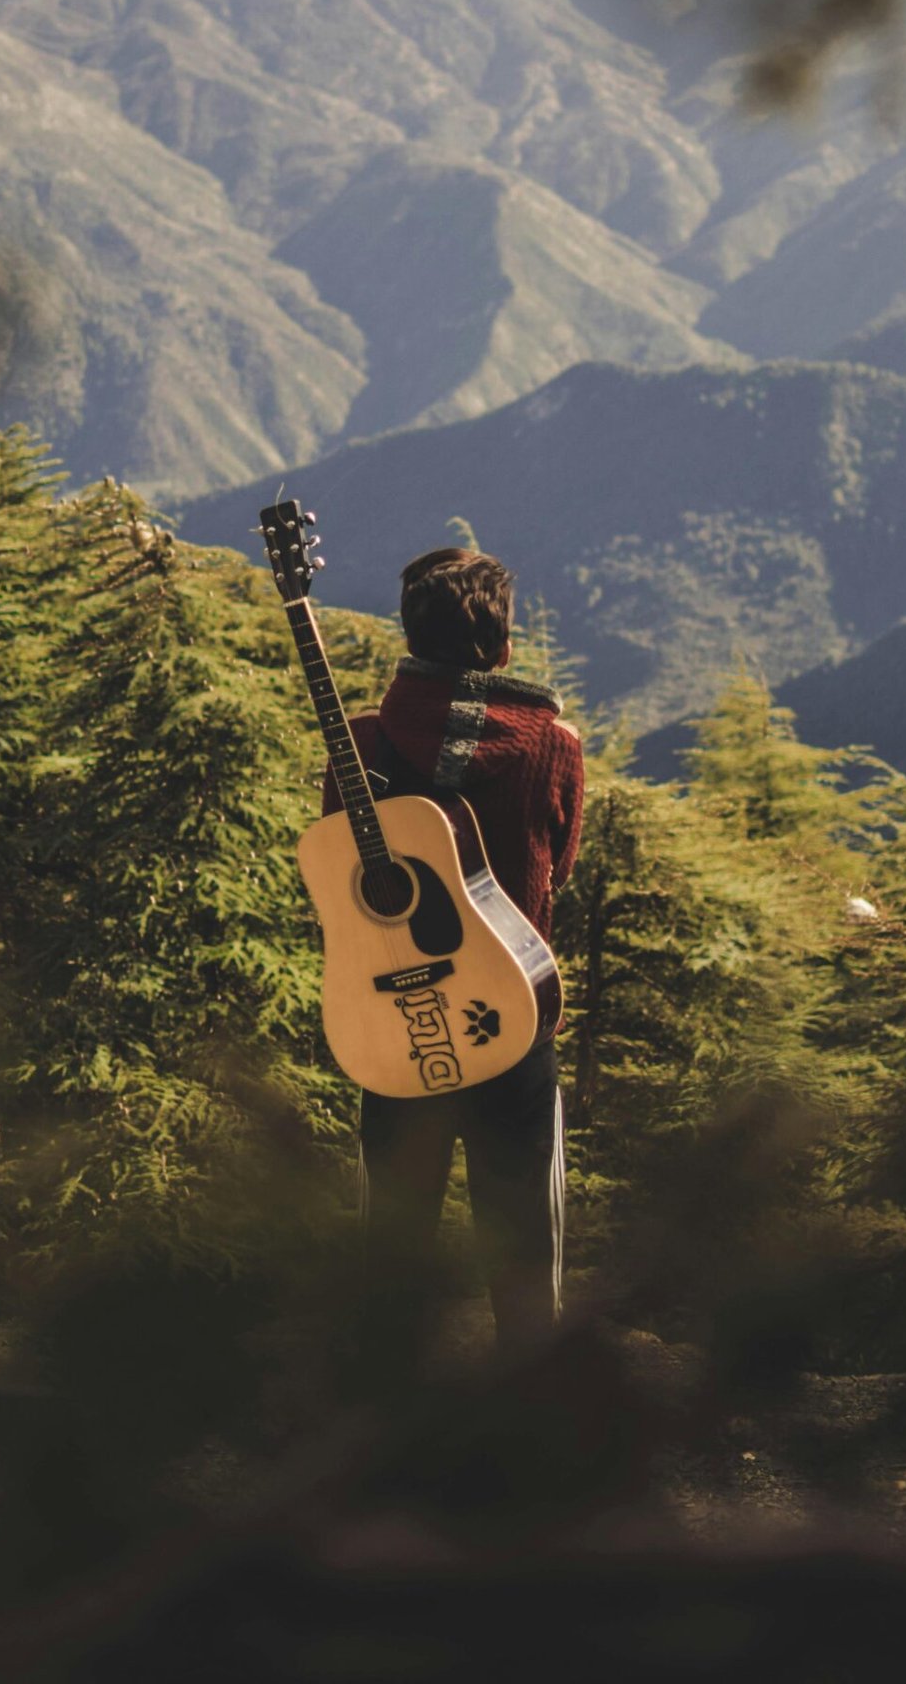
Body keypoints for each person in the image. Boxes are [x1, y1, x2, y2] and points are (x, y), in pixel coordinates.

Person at [323, 546, 585, 1356]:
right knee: (524, 1259)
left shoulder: (361, 744)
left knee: (392, 1256)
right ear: (503, 648)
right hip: (509, 1019)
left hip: (396, 1024)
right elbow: (558, 869)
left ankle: (383, 1431)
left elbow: (340, 885)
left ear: (410, 639)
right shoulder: (554, 746)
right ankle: (533, 1424)